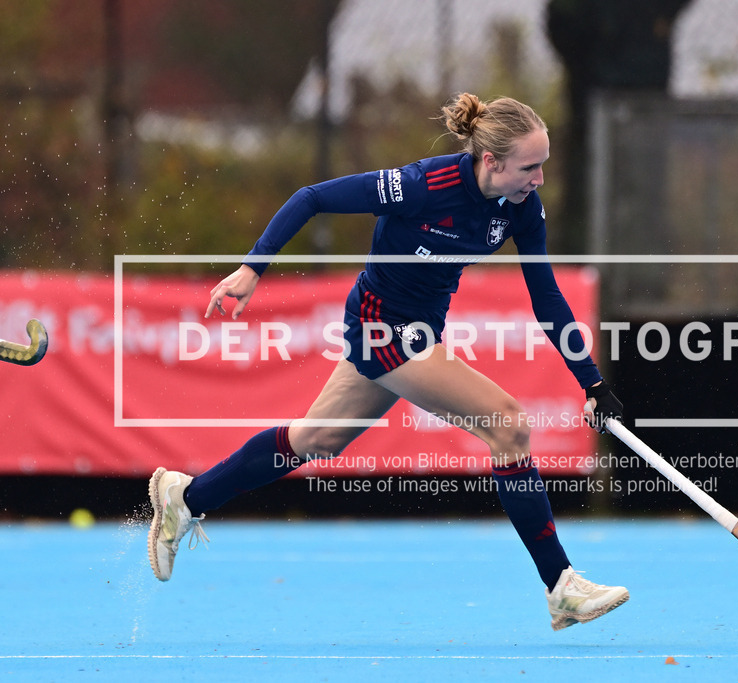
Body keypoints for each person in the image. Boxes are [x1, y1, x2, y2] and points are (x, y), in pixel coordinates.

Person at [147, 93, 628, 631]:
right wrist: (252, 268)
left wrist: (592, 381)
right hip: (383, 328)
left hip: (419, 328)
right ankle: (560, 584)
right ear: (491, 161)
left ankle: (186, 496)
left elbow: (547, 299)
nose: (539, 178)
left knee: (316, 441)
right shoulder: (423, 186)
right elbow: (311, 198)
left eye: (543, 165)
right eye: (529, 167)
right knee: (509, 425)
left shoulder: (520, 207)